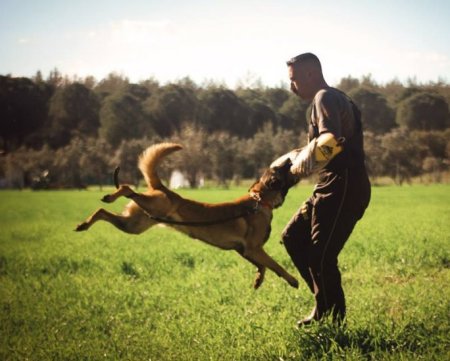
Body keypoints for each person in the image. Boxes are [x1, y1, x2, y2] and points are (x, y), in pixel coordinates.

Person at [273, 53, 371, 326]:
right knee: (293, 236)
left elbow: (332, 140)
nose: (291, 87)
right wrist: (295, 157)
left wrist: (311, 154)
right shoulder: (334, 98)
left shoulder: (324, 97)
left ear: (309, 75)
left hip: (344, 185)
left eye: (293, 80)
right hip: (329, 185)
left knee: (321, 255)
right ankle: (323, 306)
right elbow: (326, 145)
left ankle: (333, 321)